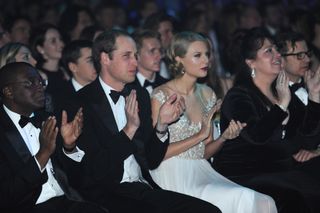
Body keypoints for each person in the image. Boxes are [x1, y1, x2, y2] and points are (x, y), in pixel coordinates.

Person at [60, 29, 221, 213]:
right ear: (105, 58)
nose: (135, 62)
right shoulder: (81, 103)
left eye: (136, 55)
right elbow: (95, 171)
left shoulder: (140, 95)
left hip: (142, 187)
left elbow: (151, 160)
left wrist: (161, 125)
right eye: (127, 56)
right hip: (105, 193)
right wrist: (129, 130)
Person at [149, 31, 277, 213]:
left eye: (207, 54)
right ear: (179, 60)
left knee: (264, 200)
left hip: (202, 170)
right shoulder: (161, 95)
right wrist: (199, 136)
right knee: (245, 198)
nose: (206, 61)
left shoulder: (207, 93)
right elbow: (157, 153)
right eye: (197, 56)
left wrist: (223, 138)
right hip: (171, 173)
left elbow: (204, 152)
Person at [213, 27, 320, 213]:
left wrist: (314, 97)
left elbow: (308, 139)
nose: (277, 54)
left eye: (276, 50)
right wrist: (281, 106)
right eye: (268, 51)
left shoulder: (283, 92)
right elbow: (257, 136)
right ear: (251, 62)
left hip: (279, 167)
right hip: (246, 171)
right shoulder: (238, 96)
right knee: (296, 194)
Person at [0, 62, 107, 213]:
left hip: (67, 201)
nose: (40, 87)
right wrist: (43, 155)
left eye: (41, 82)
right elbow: (6, 196)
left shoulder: (49, 119)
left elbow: (79, 179)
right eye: (30, 83)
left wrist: (69, 147)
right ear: (8, 91)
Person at [276, 30, 320, 179]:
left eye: (307, 54)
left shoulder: (313, 83)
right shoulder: (276, 94)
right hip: (294, 166)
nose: (307, 59)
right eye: (299, 56)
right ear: (280, 60)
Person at [131, 29, 167, 95]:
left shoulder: (167, 85)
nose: (159, 56)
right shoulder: (127, 88)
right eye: (152, 51)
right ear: (137, 55)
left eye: (160, 50)